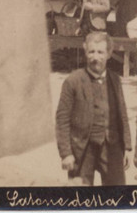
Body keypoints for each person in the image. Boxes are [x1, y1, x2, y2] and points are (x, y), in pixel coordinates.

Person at [56, 31, 132, 185]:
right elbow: (62, 119)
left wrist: (127, 147)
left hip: (111, 146)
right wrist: (66, 153)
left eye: (100, 52)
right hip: (82, 149)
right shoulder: (73, 81)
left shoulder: (115, 80)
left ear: (109, 54)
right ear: (85, 52)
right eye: (91, 52)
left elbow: (122, 114)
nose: (95, 57)